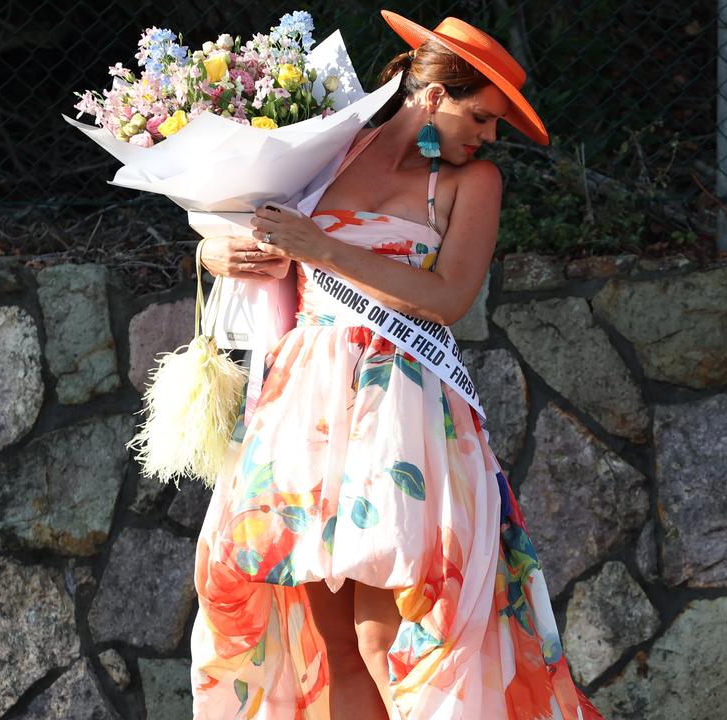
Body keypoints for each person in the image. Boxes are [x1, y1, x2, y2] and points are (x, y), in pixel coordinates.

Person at [191, 12, 602, 720]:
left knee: (384, 634)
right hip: (306, 405)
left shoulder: (474, 183)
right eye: (483, 116)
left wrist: (323, 249)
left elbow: (446, 298)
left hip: (399, 408)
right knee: (333, 642)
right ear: (435, 94)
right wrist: (212, 253)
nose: (490, 136)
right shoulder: (329, 146)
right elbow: (233, 224)